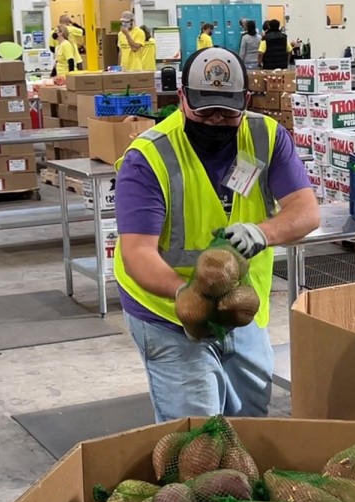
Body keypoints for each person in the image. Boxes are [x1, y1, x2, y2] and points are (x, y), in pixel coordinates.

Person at [113, 47, 320, 422]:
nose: (215, 120)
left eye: (226, 111)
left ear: (245, 101)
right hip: (168, 315)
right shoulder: (149, 157)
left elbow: (306, 211)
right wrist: (184, 292)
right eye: (204, 110)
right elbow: (137, 252)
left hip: (238, 308)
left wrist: (263, 232)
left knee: (251, 418)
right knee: (200, 427)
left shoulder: (266, 137)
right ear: (181, 99)